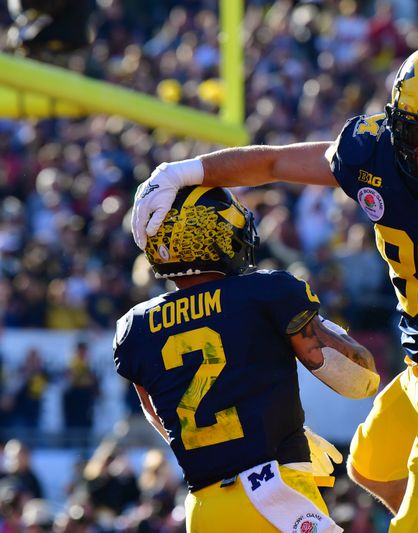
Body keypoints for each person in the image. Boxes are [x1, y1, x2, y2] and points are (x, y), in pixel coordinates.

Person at [130, 42, 418, 531]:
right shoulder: (370, 154)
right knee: (367, 466)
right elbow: (273, 165)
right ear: (395, 120)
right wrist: (188, 170)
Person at [114, 185, 379, 532]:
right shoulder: (266, 292)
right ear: (212, 233)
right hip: (274, 496)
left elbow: (160, 420)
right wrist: (321, 326)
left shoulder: (134, 326)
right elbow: (361, 379)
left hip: (204, 509)